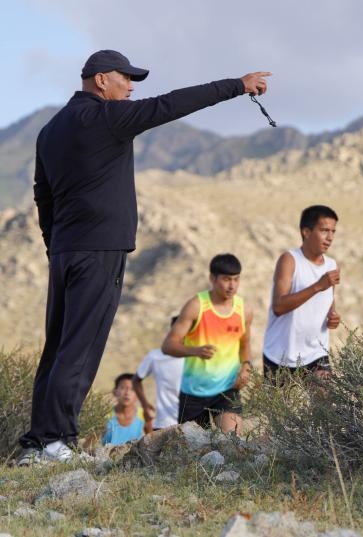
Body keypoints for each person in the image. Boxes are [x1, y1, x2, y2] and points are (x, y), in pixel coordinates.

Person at [18, 49, 269, 465]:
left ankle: (37, 443)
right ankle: (56, 441)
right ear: (101, 80)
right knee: (80, 348)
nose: (132, 87)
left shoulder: (50, 131)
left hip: (65, 251)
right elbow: (170, 104)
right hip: (99, 249)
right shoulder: (107, 117)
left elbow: (42, 195)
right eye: (126, 78)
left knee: (58, 347)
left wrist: (55, 244)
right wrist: (236, 86)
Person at [162, 254, 252, 434]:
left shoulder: (244, 310)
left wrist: (246, 367)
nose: (232, 285)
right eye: (226, 279)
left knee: (232, 440)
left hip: (226, 390)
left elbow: (245, 344)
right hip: (193, 393)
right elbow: (168, 345)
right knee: (195, 447)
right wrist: (195, 351)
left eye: (236, 279)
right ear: (212, 278)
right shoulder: (196, 306)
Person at [262, 205, 341, 382]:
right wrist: (317, 286)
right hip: (280, 356)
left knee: (327, 397)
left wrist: (332, 315)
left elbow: (329, 298)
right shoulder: (289, 260)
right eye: (324, 231)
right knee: (279, 402)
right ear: (306, 232)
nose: (330, 238)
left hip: (316, 353)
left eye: (333, 232)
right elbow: (278, 307)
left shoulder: (332, 265)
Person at [134, 317, 185, 433]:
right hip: (164, 423)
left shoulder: (198, 357)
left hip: (192, 423)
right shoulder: (156, 356)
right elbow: (136, 380)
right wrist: (145, 405)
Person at [102, 373, 145, 446]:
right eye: (122, 388)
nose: (127, 393)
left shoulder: (145, 416)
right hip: (106, 453)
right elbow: (89, 443)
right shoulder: (104, 415)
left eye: (132, 389)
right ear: (115, 392)